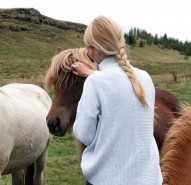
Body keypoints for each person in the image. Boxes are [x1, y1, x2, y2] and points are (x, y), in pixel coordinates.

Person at [71, 15, 162, 185]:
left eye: (89, 46)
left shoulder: (95, 82)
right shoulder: (145, 78)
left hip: (108, 179)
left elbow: (84, 134)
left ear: (97, 49)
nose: (88, 52)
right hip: (149, 179)